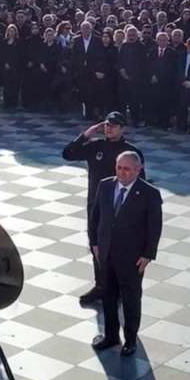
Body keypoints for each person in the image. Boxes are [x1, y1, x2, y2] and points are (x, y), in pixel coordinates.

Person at [61, 111, 145, 305]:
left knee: (119, 249)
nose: (108, 128)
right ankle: (101, 286)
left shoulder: (130, 152)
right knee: (96, 246)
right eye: (107, 125)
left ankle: (119, 288)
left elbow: (141, 184)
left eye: (114, 126)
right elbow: (68, 154)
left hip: (120, 209)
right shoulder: (95, 146)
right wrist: (86, 134)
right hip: (96, 205)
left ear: (122, 128)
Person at [87, 151, 162, 357]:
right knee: (108, 296)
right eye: (119, 167)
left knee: (130, 298)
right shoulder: (105, 185)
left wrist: (148, 255)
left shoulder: (149, 194)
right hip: (106, 252)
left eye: (127, 168)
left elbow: (154, 228)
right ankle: (111, 335)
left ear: (138, 169)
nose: (122, 172)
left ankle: (130, 340)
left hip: (132, 257)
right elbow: (95, 217)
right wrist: (94, 243)